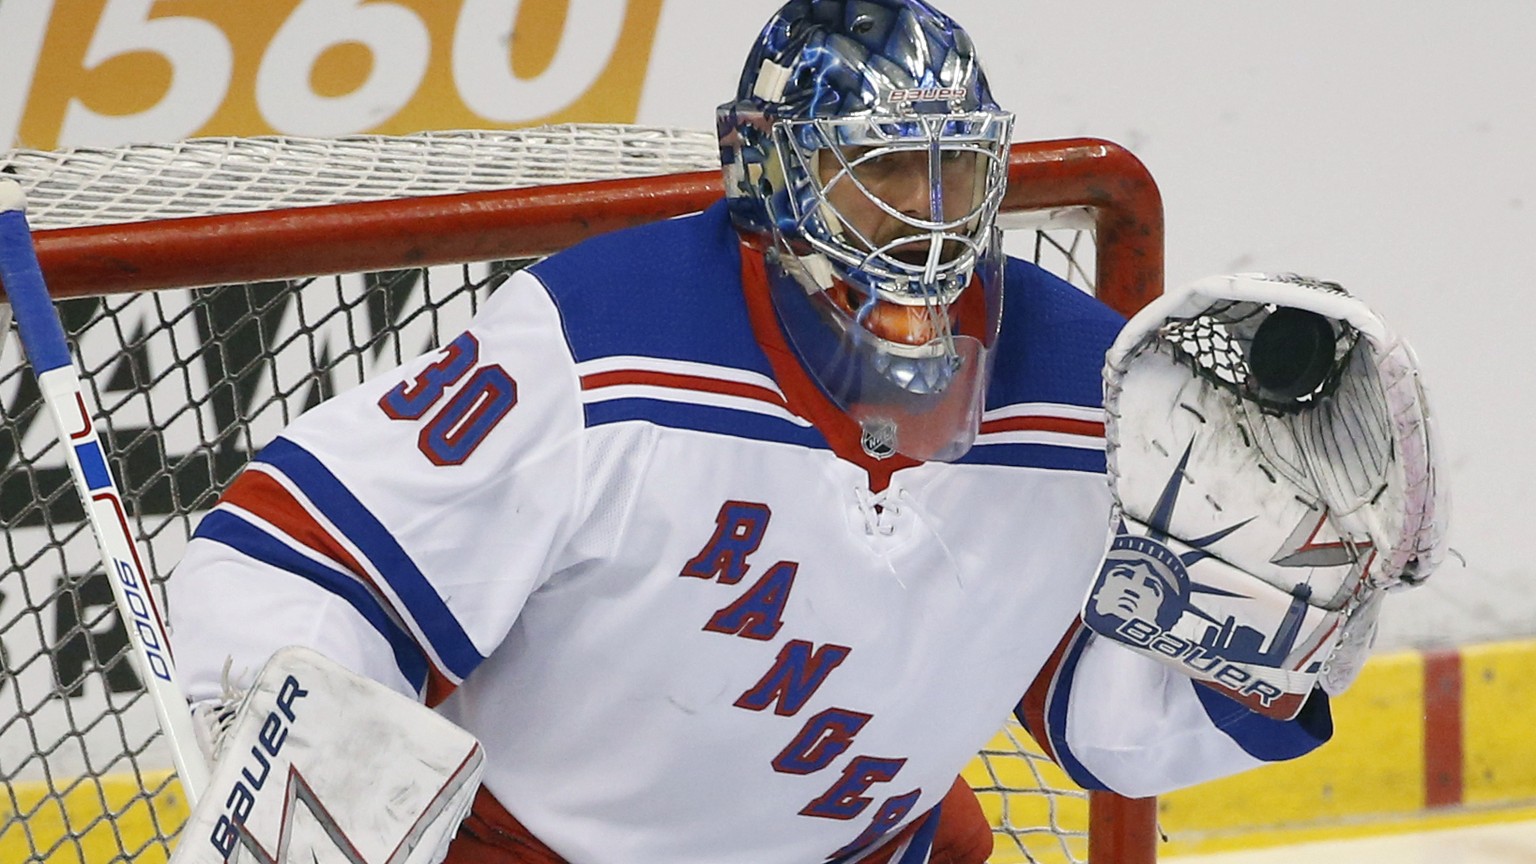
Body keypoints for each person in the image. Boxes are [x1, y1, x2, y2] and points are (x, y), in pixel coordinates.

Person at [168, 1, 1338, 862]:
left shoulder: (1088, 388)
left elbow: (1115, 727)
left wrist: (1272, 657)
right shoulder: (599, 342)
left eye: (949, 172)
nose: (923, 217)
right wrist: (285, 734)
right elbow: (292, 556)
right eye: (873, 174)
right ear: (769, 174)